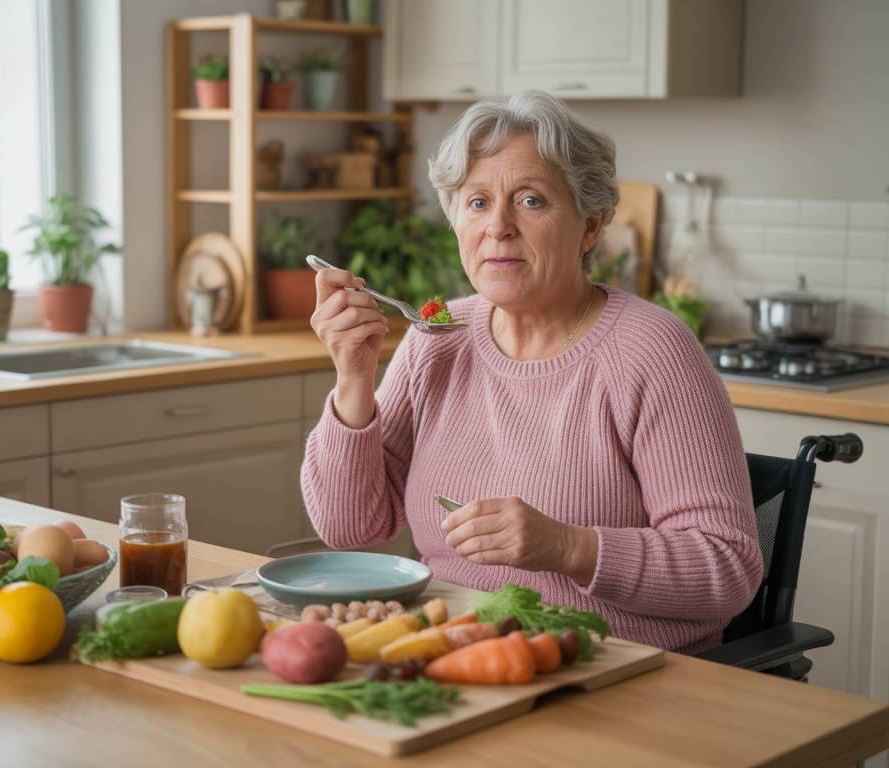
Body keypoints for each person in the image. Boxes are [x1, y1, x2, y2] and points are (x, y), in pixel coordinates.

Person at [302, 90, 762, 654]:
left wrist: (569, 548)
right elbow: (349, 526)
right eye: (477, 202)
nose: (498, 227)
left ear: (590, 226)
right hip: (457, 650)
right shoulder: (436, 339)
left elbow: (727, 568)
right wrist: (354, 379)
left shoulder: (652, 351)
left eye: (530, 200)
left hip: (612, 666)